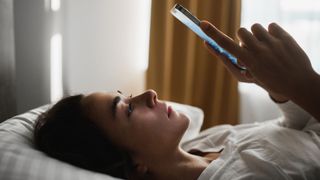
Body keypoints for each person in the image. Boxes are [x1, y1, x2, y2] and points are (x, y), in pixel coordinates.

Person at [34, 21, 320, 180]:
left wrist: (279, 88)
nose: (150, 94)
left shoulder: (204, 143)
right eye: (129, 109)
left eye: (128, 95)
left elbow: (296, 133)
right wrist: (305, 84)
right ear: (134, 166)